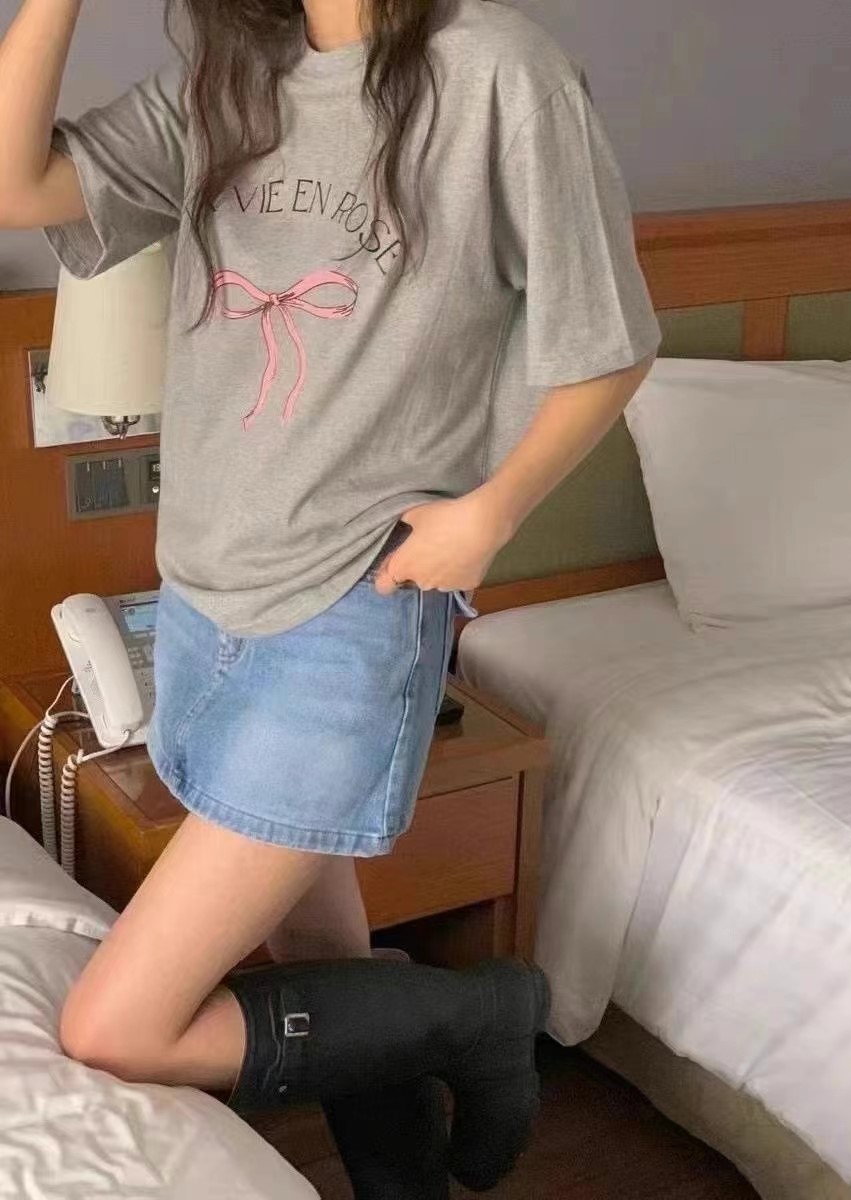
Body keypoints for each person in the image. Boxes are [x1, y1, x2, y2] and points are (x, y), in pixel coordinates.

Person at [0, 0, 661, 1194]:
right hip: (202, 591)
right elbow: (16, 185)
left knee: (117, 1027)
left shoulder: (496, 72)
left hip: (353, 600)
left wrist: (491, 513)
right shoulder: (226, 75)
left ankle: (480, 1018)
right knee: (315, 936)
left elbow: (608, 340)